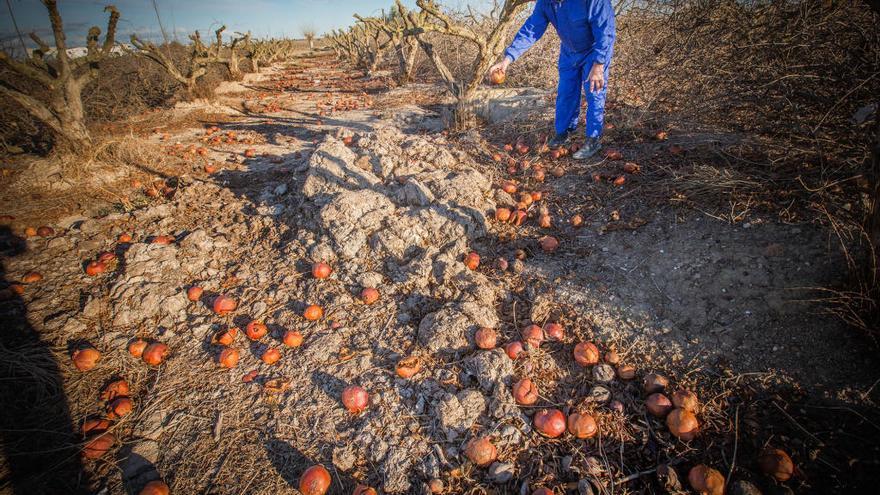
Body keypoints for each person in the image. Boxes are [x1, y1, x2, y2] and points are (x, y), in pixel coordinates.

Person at [490, 0, 616, 159]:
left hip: (594, 52)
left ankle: (593, 139)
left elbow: (605, 30)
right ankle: (563, 132)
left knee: (594, 91)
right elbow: (531, 29)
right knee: (566, 93)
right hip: (569, 52)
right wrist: (507, 60)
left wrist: (599, 63)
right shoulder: (545, 3)